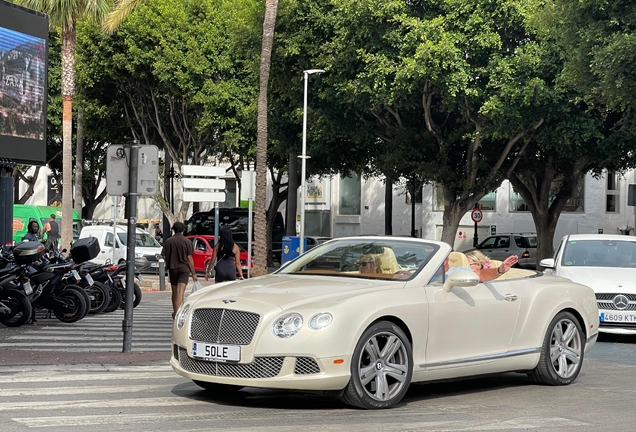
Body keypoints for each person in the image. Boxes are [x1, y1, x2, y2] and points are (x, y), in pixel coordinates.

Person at [161, 221, 198, 318]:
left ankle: (175, 312)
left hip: (173, 269)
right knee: (180, 292)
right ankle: (178, 314)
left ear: (173, 230)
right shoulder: (187, 242)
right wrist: (193, 273)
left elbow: (164, 256)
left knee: (174, 292)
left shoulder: (168, 241)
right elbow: (190, 259)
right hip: (184, 269)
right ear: (183, 230)